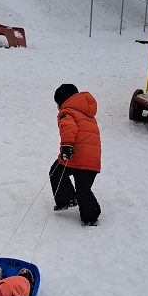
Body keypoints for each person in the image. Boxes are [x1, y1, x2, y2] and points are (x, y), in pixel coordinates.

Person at [50, 83, 101, 226]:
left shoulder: (67, 112)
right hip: (93, 161)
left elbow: (68, 128)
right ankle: (90, 217)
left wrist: (66, 147)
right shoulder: (88, 114)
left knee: (56, 173)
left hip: (75, 156)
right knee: (83, 189)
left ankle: (66, 200)